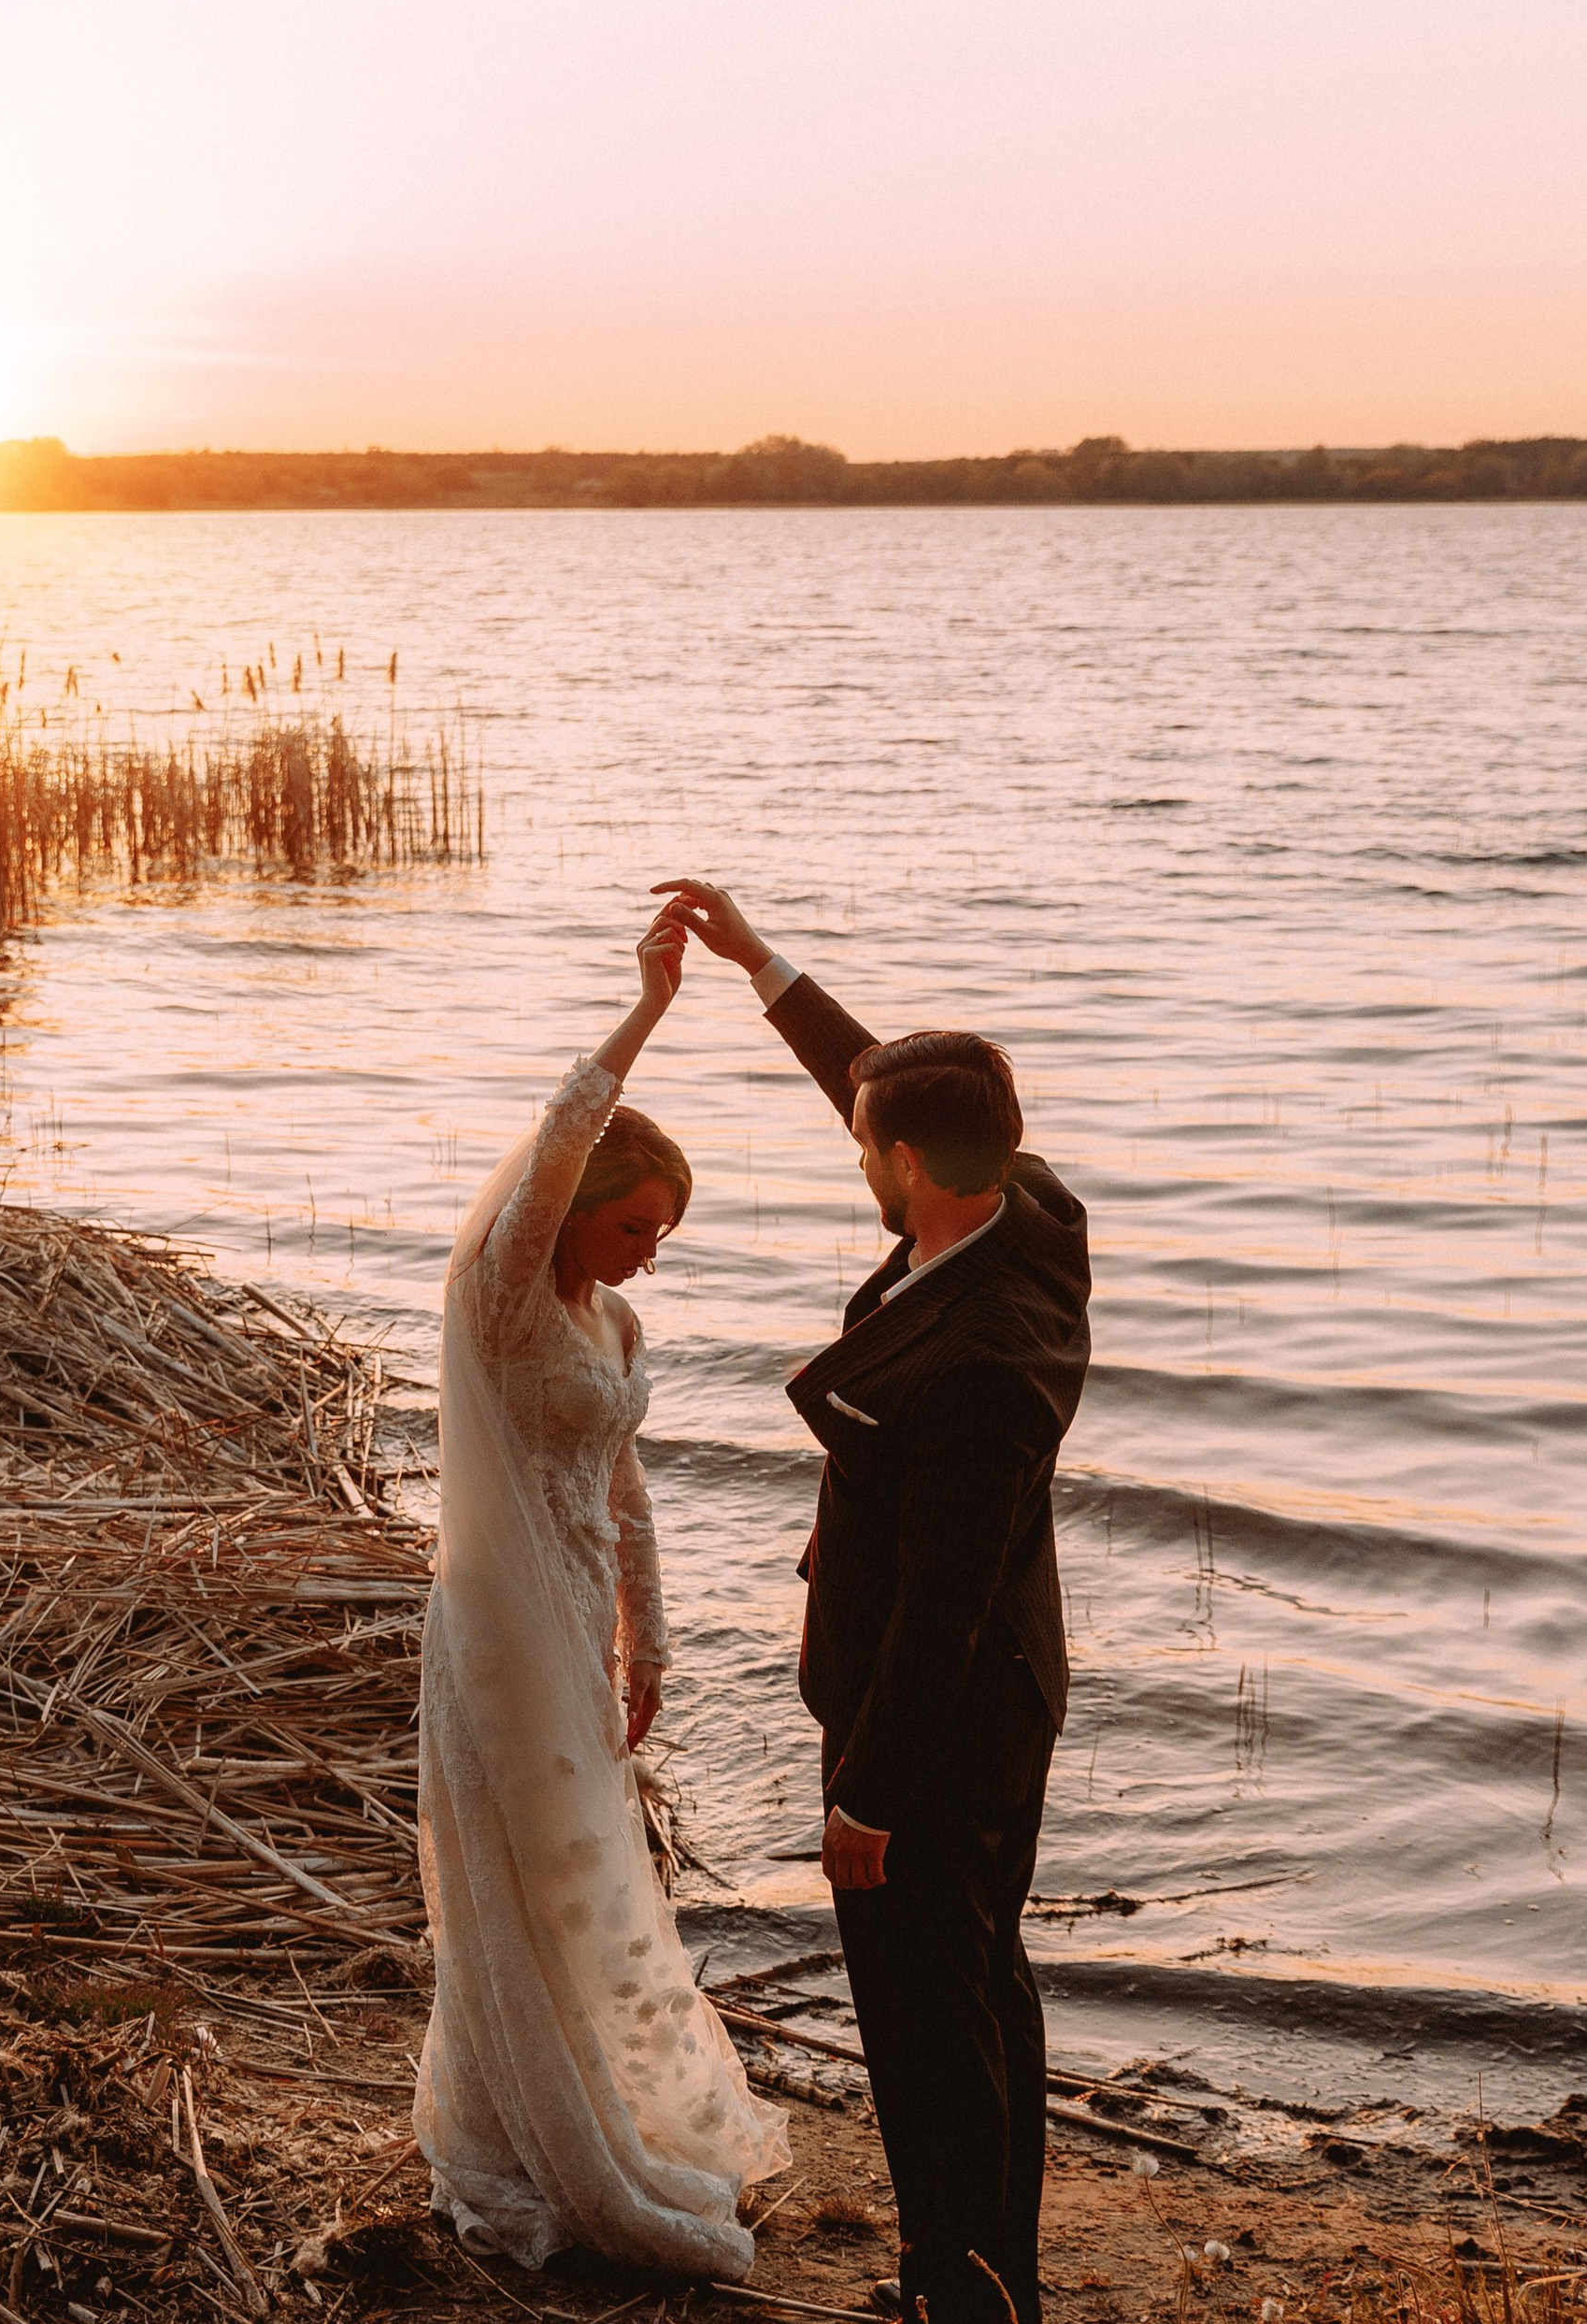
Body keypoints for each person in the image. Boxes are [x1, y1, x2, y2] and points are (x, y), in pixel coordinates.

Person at [655, 878, 1092, 2324]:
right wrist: (758, 966)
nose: (851, 1146)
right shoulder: (1029, 1207)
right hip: (1003, 1692)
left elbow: (942, 1609)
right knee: (983, 1988)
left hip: (944, 1721)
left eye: (864, 1141)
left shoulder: (987, 1359)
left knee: (922, 2022)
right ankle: (992, 2280)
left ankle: (954, 2293)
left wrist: (871, 1797)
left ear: (909, 1162)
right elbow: (871, 1078)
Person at [414, 905, 789, 2279]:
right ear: (571, 1209)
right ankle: (534, 2135)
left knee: (587, 1868)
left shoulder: (613, 1320)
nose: (649, 1251)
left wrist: (651, 1648)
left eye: (668, 1232)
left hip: (578, 1621)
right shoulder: (508, 1293)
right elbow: (568, 1128)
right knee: (518, 1869)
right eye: (635, 1225)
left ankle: (604, 2090)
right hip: (495, 1631)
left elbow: (626, 1497)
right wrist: (652, 1007)